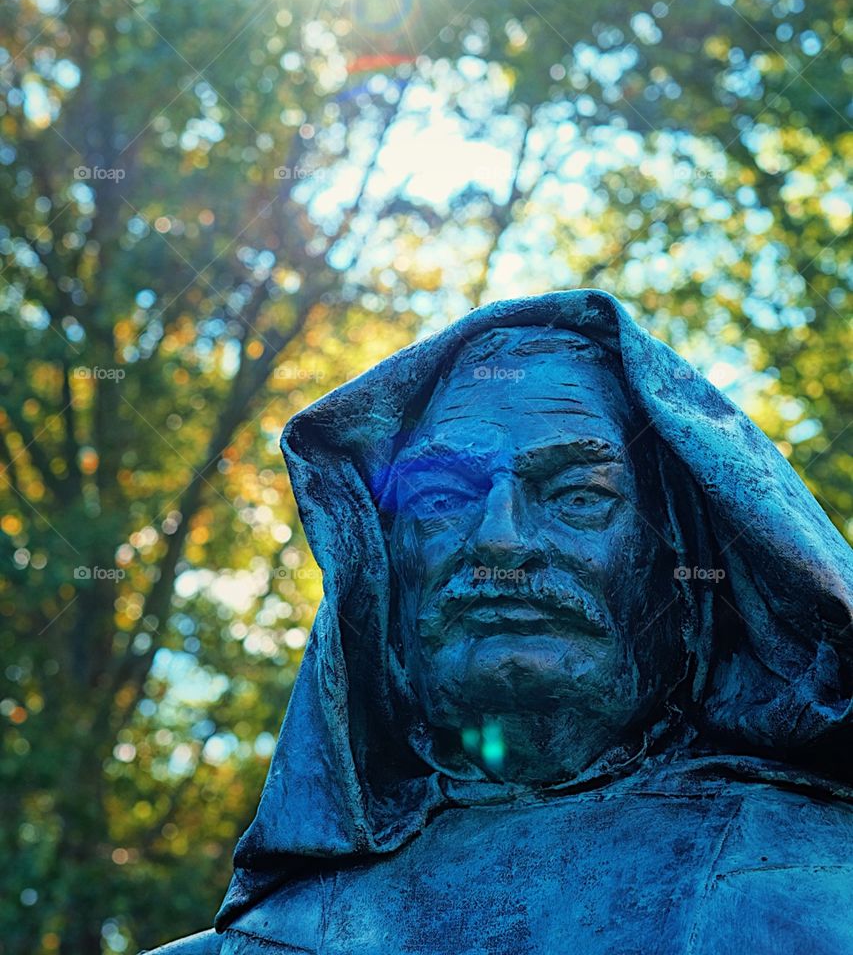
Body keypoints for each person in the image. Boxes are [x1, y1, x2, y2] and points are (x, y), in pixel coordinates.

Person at [144, 291, 853, 955]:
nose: (498, 540)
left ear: (681, 560)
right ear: (385, 574)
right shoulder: (276, 942)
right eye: (441, 495)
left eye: (577, 494)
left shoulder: (816, 894)